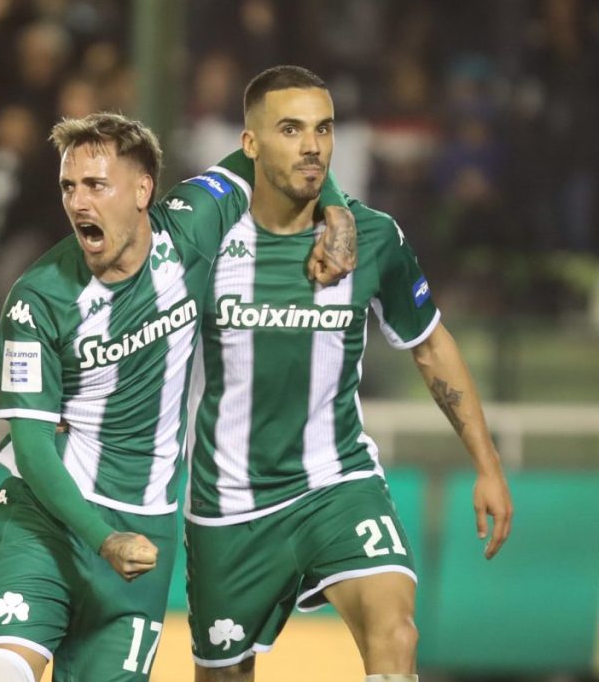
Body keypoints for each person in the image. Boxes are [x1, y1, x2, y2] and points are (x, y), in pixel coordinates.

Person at [0, 111, 357, 682]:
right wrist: (103, 538)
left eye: (96, 185)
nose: (78, 202)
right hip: (48, 519)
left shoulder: (191, 226)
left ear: (143, 191)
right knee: (1, 670)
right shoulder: (37, 299)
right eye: (69, 186)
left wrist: (336, 210)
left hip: (146, 531)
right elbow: (34, 447)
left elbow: (275, 149)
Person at [184, 65, 514, 682]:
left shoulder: (373, 237)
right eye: (290, 129)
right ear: (250, 143)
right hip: (229, 504)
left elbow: (430, 347)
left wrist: (487, 464)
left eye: (324, 128)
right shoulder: (205, 239)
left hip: (338, 483)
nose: (312, 145)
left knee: (397, 632)